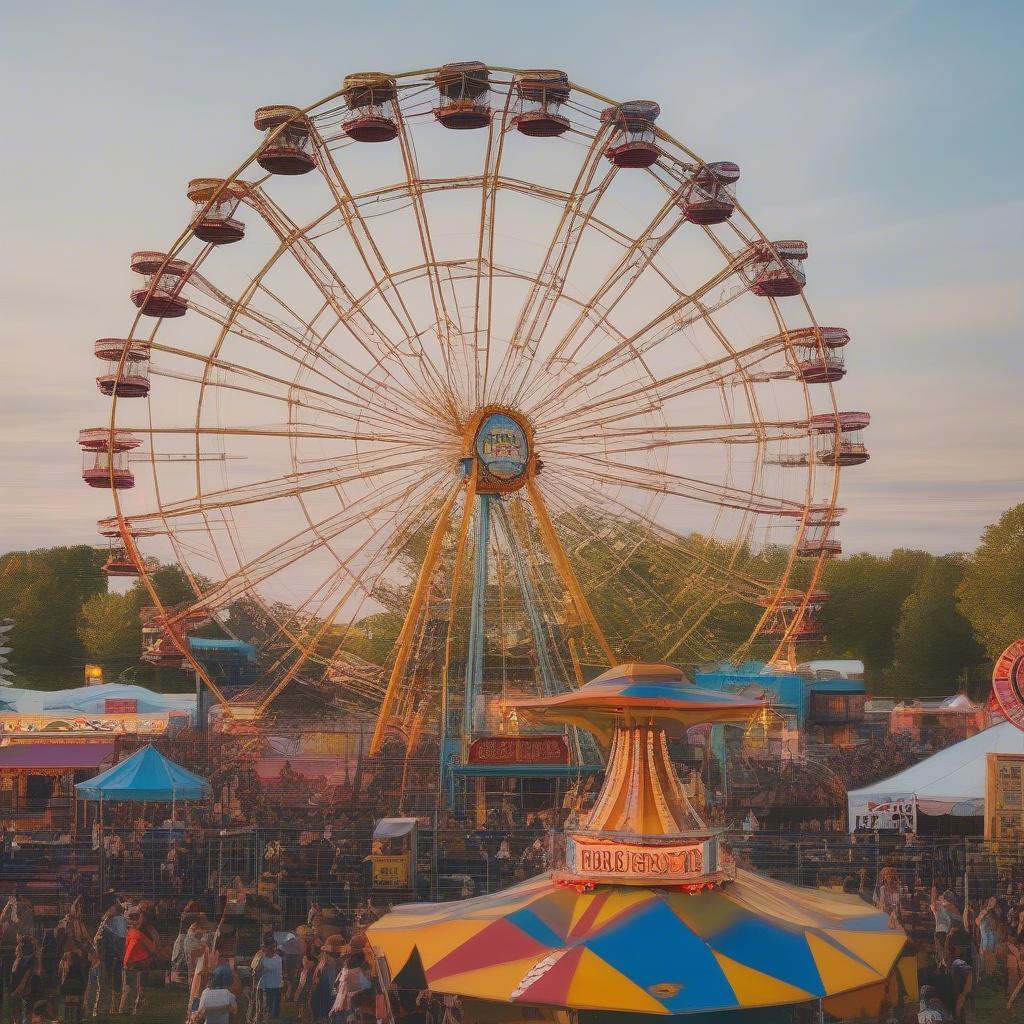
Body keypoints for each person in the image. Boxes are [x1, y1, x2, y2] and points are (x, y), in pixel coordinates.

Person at [119, 910, 159, 1015]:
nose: (137, 922)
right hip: (132, 965)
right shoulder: (136, 934)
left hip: (134, 965)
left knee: (132, 989)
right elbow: (152, 949)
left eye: (139, 919)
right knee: (131, 989)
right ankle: (128, 1010)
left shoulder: (134, 933)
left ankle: (129, 1009)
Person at [329, 951, 371, 1022]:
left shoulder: (344, 971)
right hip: (353, 1005)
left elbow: (335, 987)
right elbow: (367, 987)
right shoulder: (359, 973)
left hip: (340, 1004)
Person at [251, 936, 283, 1022]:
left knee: (274, 1010)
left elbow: (280, 972)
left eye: (273, 948)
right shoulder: (261, 957)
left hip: (276, 986)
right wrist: (259, 956)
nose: (272, 950)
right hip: (265, 986)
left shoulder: (278, 958)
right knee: (264, 1007)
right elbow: (255, 968)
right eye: (270, 948)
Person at [57, 944, 88, 1024]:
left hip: (69, 989)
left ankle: (66, 1017)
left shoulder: (68, 969)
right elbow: (83, 980)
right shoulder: (79, 967)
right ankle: (78, 1017)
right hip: (78, 989)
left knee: (66, 1001)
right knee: (76, 1002)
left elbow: (62, 979)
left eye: (67, 959)